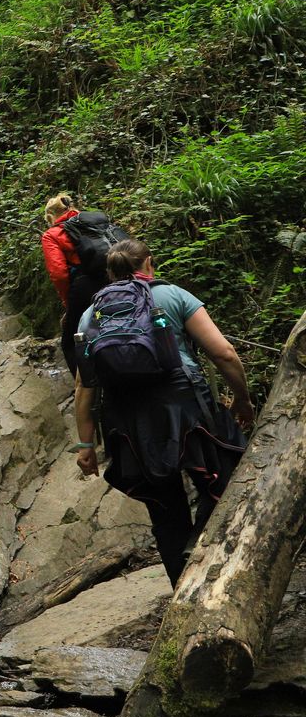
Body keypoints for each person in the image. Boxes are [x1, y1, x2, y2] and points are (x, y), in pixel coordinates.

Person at [73, 239, 253, 587]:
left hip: (126, 419)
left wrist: (85, 446)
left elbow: (85, 386)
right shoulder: (172, 295)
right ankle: (201, 545)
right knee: (226, 475)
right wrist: (242, 399)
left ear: (109, 274)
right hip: (184, 405)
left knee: (165, 510)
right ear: (149, 263)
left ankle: (181, 588)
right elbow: (224, 353)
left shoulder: (90, 313)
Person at [41, 193, 127, 376]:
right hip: (121, 275)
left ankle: (88, 390)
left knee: (71, 341)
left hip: (87, 285)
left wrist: (68, 303)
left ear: (51, 216)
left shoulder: (52, 234)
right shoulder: (95, 223)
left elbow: (59, 274)